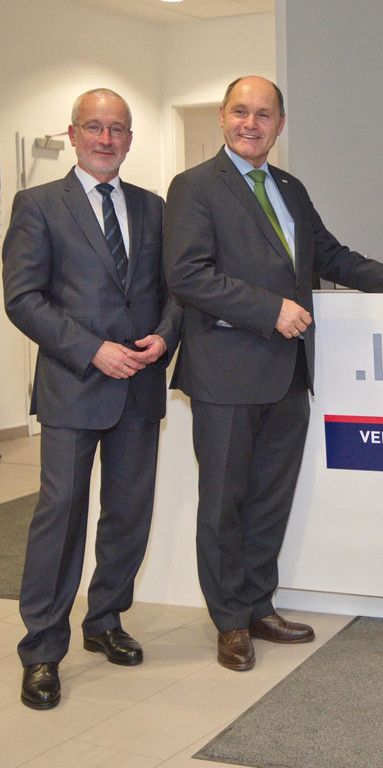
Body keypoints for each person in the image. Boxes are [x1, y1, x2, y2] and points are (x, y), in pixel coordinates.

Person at [165, 75, 383, 671]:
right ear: (222, 117)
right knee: (223, 504)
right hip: (225, 374)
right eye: (240, 111)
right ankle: (229, 621)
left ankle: (258, 604)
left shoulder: (289, 188)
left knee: (269, 500)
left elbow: (331, 254)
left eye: (263, 114)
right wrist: (270, 309)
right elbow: (188, 275)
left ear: (280, 124)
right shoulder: (194, 187)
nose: (250, 124)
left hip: (289, 373)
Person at [2, 89, 182, 710]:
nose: (107, 139)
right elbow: (23, 298)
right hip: (74, 385)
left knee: (128, 512)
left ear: (130, 139)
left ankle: (105, 619)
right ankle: (42, 649)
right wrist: (92, 349)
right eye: (95, 127)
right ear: (73, 134)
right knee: (61, 516)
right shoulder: (37, 205)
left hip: (139, 385)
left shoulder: (154, 208)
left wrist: (166, 335)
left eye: (118, 129)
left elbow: (176, 288)